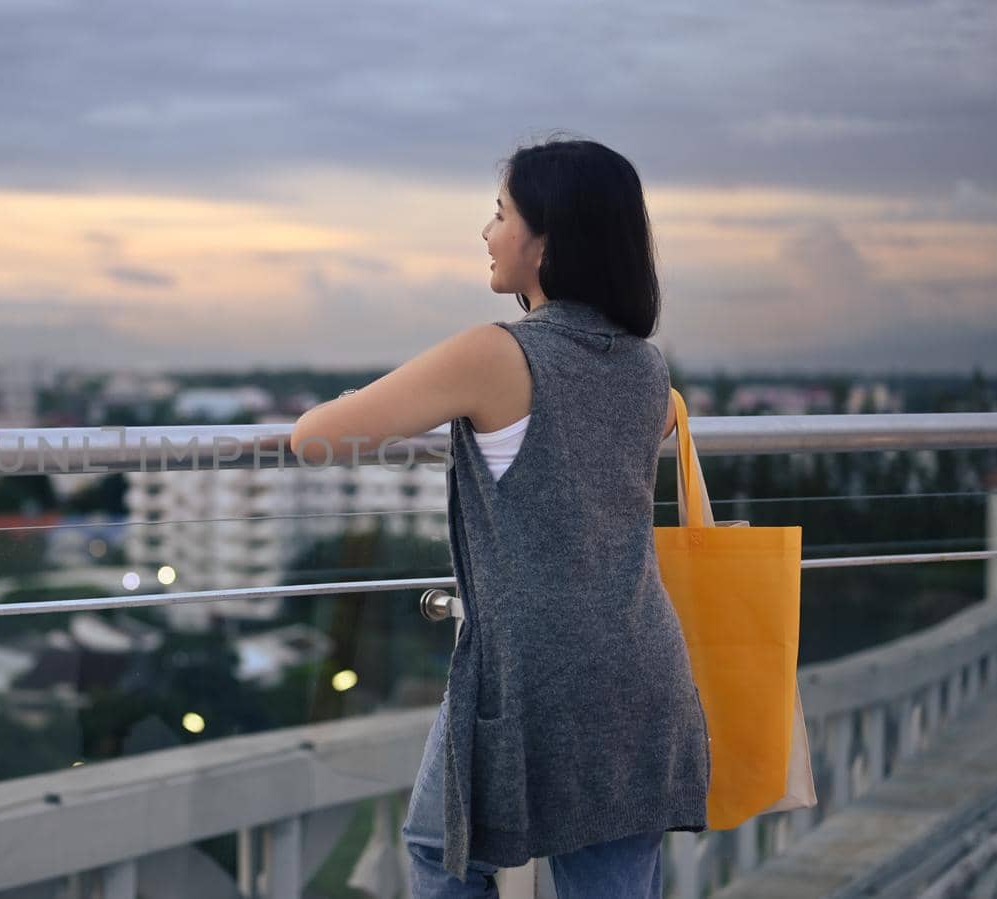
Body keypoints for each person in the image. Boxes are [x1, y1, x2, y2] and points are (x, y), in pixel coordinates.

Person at [289, 136, 708, 897]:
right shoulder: (646, 364)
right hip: (641, 665)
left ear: (546, 241)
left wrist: (353, 396)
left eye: (500, 213)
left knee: (442, 851)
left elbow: (315, 438)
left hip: (531, 674)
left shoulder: (495, 355)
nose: (486, 233)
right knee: (604, 878)